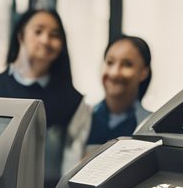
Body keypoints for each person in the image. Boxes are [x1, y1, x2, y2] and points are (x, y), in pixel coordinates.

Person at [0, 8, 84, 188]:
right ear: (21, 36)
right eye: (38, 31)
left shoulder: (72, 100)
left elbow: (72, 164)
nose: (46, 40)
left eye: (55, 35)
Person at [65, 35, 153, 169]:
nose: (114, 73)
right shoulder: (81, 117)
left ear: (143, 72)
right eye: (110, 62)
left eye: (127, 64)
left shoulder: (150, 126)